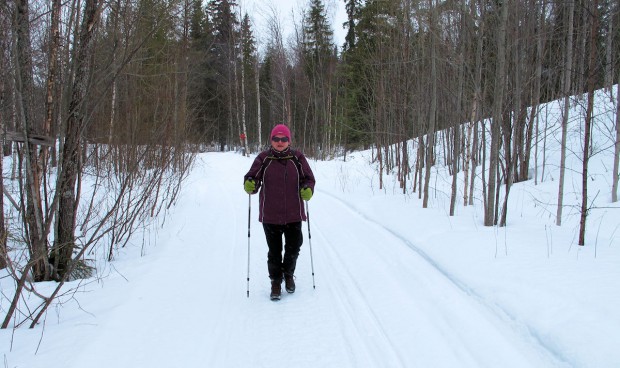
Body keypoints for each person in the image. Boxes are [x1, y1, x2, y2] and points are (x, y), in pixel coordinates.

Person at [243, 124, 315, 301]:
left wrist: (307, 189)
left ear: (289, 140)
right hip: (271, 214)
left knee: (294, 247)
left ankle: (288, 275)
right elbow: (252, 178)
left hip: (294, 213)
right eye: (276, 138)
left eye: (284, 139)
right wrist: (250, 185)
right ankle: (276, 281)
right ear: (271, 140)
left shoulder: (297, 158)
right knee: (274, 251)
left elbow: (308, 178)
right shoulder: (264, 158)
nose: (280, 142)